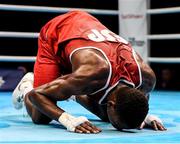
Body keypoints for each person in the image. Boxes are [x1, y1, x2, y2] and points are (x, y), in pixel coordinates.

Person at [12, 10, 166, 134]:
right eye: (117, 127)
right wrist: (67, 120)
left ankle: (69, 89)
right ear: (111, 104)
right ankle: (26, 84)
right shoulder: (92, 74)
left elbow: (134, 102)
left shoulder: (146, 79)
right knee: (41, 117)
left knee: (107, 115)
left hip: (86, 31)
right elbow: (36, 95)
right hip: (57, 32)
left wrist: (142, 117)